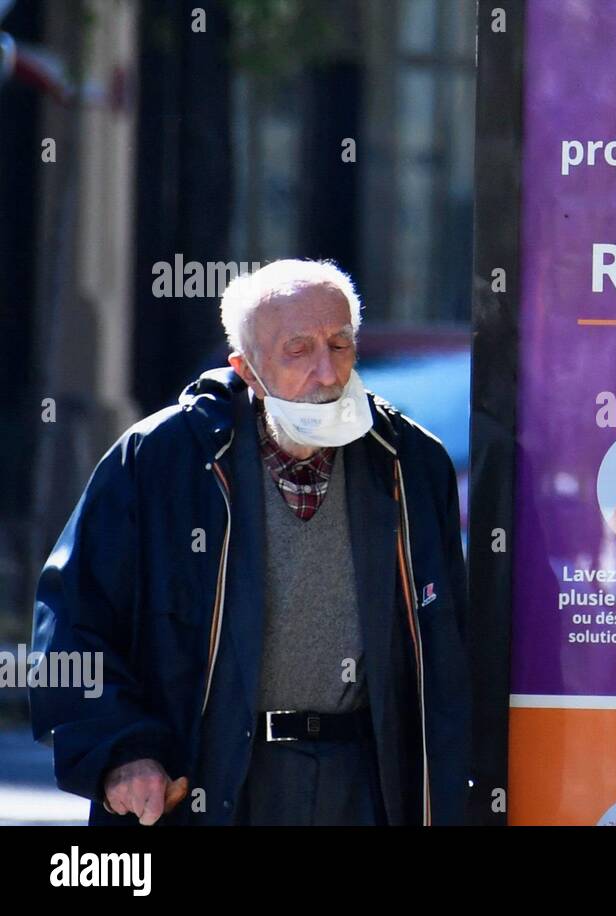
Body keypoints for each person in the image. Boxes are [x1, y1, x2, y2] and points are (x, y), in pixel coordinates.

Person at [29, 259, 471, 825]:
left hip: (364, 782)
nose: (327, 372)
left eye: (339, 345)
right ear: (247, 368)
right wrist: (121, 753)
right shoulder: (163, 459)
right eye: (298, 350)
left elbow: (449, 646)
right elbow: (74, 620)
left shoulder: (409, 463)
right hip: (211, 777)